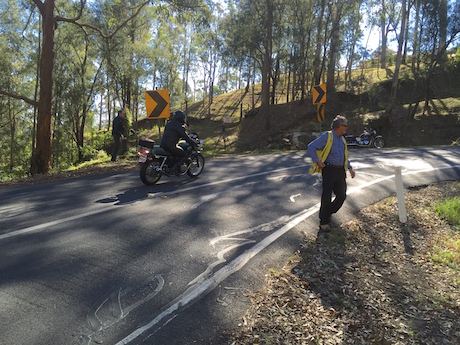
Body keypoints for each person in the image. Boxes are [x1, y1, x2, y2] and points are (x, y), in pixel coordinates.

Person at [307, 114, 356, 232]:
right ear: (339, 126)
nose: (346, 128)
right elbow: (311, 146)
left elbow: (344, 156)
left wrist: (350, 168)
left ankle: (328, 212)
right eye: (345, 126)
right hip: (329, 170)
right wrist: (317, 161)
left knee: (342, 195)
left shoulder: (342, 140)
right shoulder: (328, 136)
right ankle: (324, 221)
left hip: (340, 171)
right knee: (327, 196)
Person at [160, 110, 197, 176]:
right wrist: (193, 143)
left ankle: (172, 167)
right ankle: (174, 169)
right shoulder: (179, 126)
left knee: (177, 153)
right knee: (185, 155)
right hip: (171, 146)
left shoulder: (169, 123)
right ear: (182, 118)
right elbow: (186, 137)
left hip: (163, 144)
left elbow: (172, 134)